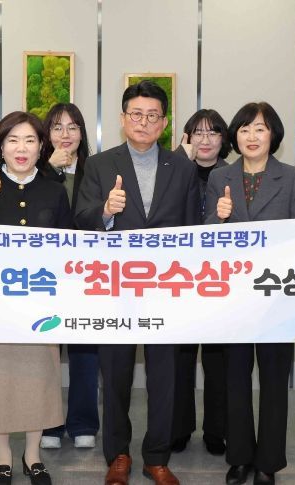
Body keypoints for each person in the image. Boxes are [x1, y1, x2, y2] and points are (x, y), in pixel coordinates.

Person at [75, 80, 201, 485]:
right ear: (122, 118)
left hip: (166, 289)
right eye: (136, 114)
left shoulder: (182, 167)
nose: (143, 122)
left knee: (165, 377)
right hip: (115, 289)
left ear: (164, 123)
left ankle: (157, 457)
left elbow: (192, 228)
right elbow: (80, 218)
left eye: (152, 116)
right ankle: (118, 455)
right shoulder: (99, 165)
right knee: (115, 375)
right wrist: (105, 212)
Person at [205, 102, 295, 485]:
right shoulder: (220, 177)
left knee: (273, 379)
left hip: (276, 294)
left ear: (273, 135)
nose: (252, 136)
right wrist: (216, 216)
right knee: (235, 378)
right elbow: (204, 236)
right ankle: (239, 457)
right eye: (245, 129)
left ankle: (268, 461)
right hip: (233, 297)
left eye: (260, 129)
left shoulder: (293, 178)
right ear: (235, 137)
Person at [0, 111, 70, 485]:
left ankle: (33, 454)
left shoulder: (55, 190)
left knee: (38, 378)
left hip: (41, 302)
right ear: (1, 148)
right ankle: (3, 455)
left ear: (42, 146)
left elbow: (69, 245)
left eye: (29, 140)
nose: (21, 148)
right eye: (12, 140)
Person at [37, 103, 100, 450]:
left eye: (73, 127)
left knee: (85, 351)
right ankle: (48, 424)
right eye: (57, 127)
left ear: (82, 133)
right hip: (47, 274)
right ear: (47, 134)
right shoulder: (34, 169)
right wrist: (48, 169)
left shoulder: (97, 169)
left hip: (86, 275)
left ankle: (83, 422)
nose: (65, 134)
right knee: (47, 350)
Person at [170, 109, 230, 456]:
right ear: (187, 138)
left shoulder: (234, 174)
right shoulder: (174, 170)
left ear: (224, 139)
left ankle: (217, 430)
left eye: (213, 133)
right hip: (179, 278)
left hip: (221, 280)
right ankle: (178, 428)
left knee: (218, 360)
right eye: (198, 133)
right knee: (180, 358)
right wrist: (182, 160)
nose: (205, 140)